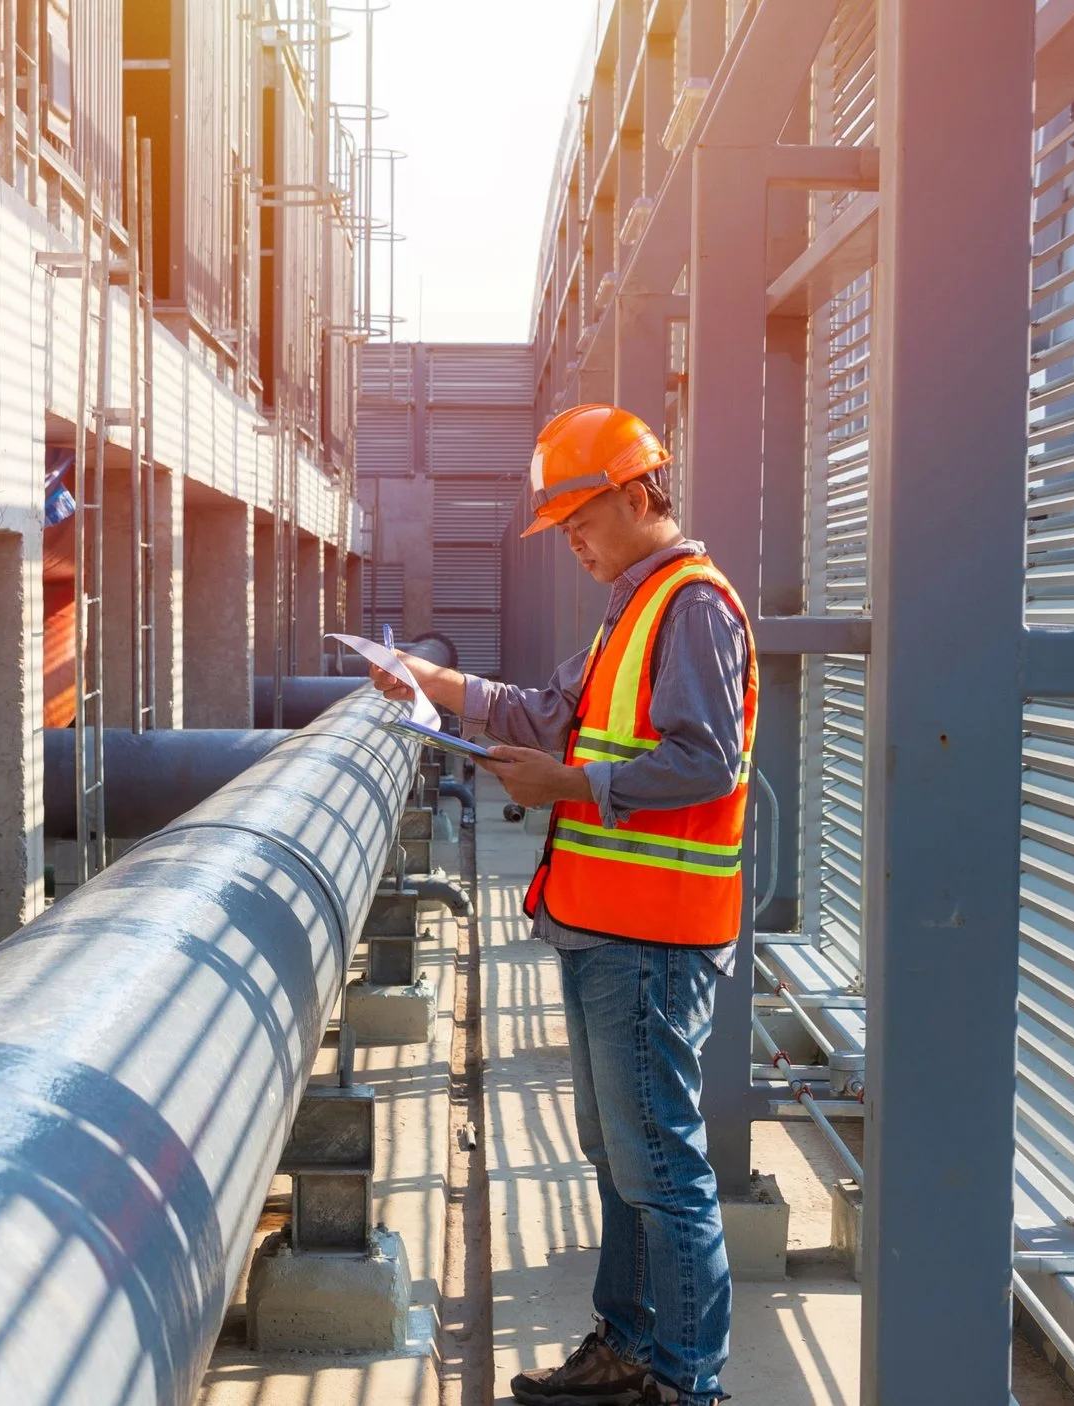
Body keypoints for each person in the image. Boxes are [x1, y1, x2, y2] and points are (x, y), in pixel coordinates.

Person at [371, 403, 754, 1406]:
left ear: (637, 494)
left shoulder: (692, 605)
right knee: (619, 1156)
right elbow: (543, 714)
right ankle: (627, 1347)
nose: (572, 541)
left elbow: (706, 763)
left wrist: (571, 786)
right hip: (603, 924)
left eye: (581, 518)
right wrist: (427, 680)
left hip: (653, 933)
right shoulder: (631, 608)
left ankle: (684, 1381)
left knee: (660, 1167)